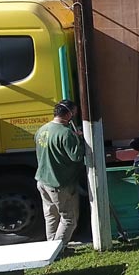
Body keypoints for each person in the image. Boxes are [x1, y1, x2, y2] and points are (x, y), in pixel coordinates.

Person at [34, 99, 85, 247]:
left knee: (50, 216)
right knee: (69, 219)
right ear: (69, 113)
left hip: (42, 181)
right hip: (58, 183)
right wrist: (79, 139)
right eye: (74, 112)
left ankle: (50, 247)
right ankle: (58, 249)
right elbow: (76, 156)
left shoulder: (42, 129)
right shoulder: (66, 133)